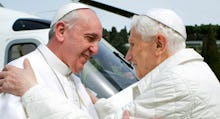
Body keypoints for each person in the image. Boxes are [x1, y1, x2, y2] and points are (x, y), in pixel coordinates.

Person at [1, 8, 220, 119]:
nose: (129, 56)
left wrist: (31, 91)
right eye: (89, 38)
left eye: (133, 45)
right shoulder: (20, 70)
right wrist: (95, 103)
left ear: (159, 45)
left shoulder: (178, 82)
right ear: (60, 31)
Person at [0, 2, 103, 119]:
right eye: (90, 38)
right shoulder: (17, 74)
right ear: (61, 31)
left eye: (97, 42)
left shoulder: (77, 83)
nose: (95, 50)